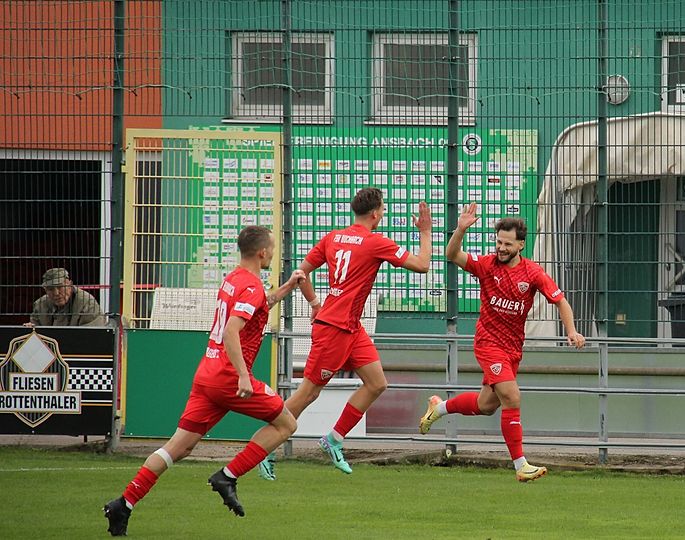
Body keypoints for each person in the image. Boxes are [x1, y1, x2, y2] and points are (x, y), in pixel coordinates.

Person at [103, 226, 305, 536]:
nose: (274, 253)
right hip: (227, 377)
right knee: (286, 425)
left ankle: (124, 503)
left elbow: (259, 306)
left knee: (178, 448)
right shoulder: (251, 285)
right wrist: (243, 375)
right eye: (273, 248)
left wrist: (288, 286)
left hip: (207, 374)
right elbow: (232, 331)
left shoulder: (234, 279)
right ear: (262, 252)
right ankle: (228, 476)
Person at [418, 204, 585, 482]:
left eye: (507, 244)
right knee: (512, 396)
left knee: (486, 405)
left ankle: (440, 407)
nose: (501, 248)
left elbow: (560, 301)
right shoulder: (486, 266)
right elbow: (452, 254)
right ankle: (521, 465)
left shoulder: (533, 273)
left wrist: (572, 331)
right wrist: (460, 229)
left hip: (512, 349)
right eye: (498, 242)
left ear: (521, 245)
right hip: (488, 343)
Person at [277, 187, 432, 475]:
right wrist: (425, 231)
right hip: (334, 329)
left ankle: (333, 439)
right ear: (375, 214)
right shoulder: (375, 242)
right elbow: (422, 265)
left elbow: (301, 273)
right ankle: (265, 446)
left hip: (350, 326)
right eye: (383, 208)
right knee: (308, 393)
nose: (383, 213)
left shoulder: (333, 237)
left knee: (376, 383)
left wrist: (314, 303)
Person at [26, 268, 106, 326]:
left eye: (60, 287)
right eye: (50, 289)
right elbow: (35, 330)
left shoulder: (87, 303)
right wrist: (31, 330)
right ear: (45, 290)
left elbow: (92, 336)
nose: (56, 293)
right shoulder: (40, 305)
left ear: (70, 284)